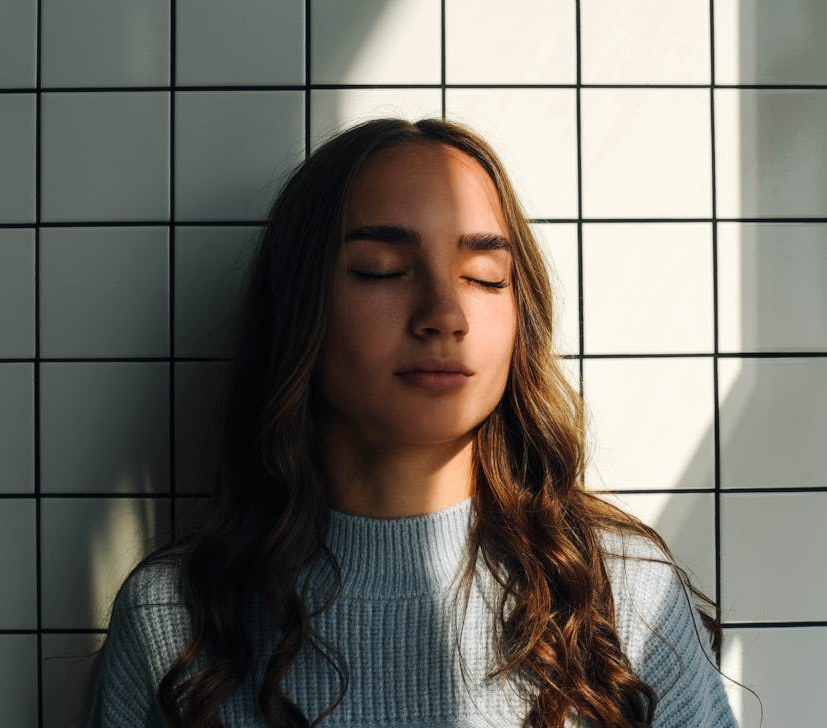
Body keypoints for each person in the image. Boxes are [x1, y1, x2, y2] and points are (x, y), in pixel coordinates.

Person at [86, 118, 737, 727]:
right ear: (299, 305)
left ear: (520, 315)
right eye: (382, 270)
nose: (444, 314)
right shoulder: (172, 616)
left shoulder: (623, 595)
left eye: (485, 276)